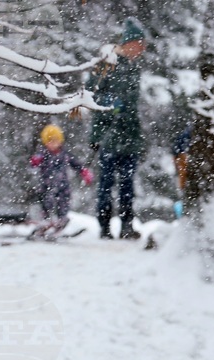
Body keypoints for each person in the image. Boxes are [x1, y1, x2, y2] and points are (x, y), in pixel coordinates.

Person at [88, 18, 147, 240]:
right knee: (106, 183)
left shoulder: (134, 69)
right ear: (129, 43)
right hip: (108, 135)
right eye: (139, 44)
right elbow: (91, 93)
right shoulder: (107, 64)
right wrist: (110, 104)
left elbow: (133, 107)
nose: (142, 49)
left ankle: (127, 225)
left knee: (127, 184)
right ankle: (104, 226)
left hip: (130, 136)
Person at [28, 124, 93, 238]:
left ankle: (61, 221)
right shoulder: (43, 153)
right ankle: (46, 221)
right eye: (50, 141)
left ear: (60, 141)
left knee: (63, 203)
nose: (53, 143)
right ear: (45, 142)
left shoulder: (65, 154)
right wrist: (35, 161)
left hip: (63, 185)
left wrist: (84, 172)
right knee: (47, 202)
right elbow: (33, 163)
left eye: (55, 140)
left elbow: (76, 164)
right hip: (47, 185)